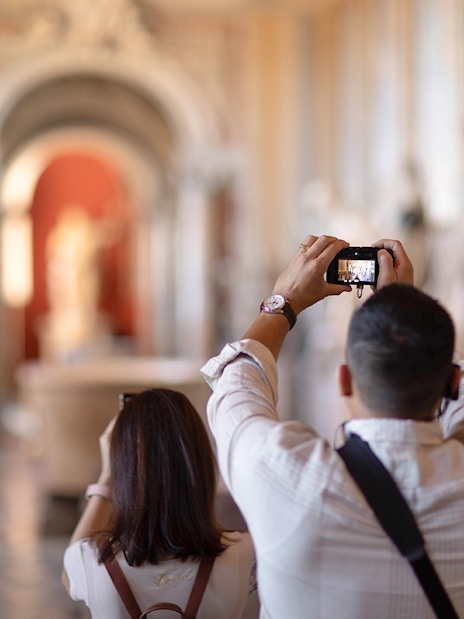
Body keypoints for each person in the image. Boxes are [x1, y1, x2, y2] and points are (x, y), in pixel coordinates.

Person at [201, 234, 464, 618]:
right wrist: (401, 315)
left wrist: (284, 301)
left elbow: (236, 381)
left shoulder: (283, 473)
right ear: (450, 383)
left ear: (344, 381)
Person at [62, 388, 257, 618]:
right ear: (201, 465)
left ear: (123, 472)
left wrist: (106, 476)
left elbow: (68, 573)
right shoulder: (245, 553)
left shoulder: (90, 561)